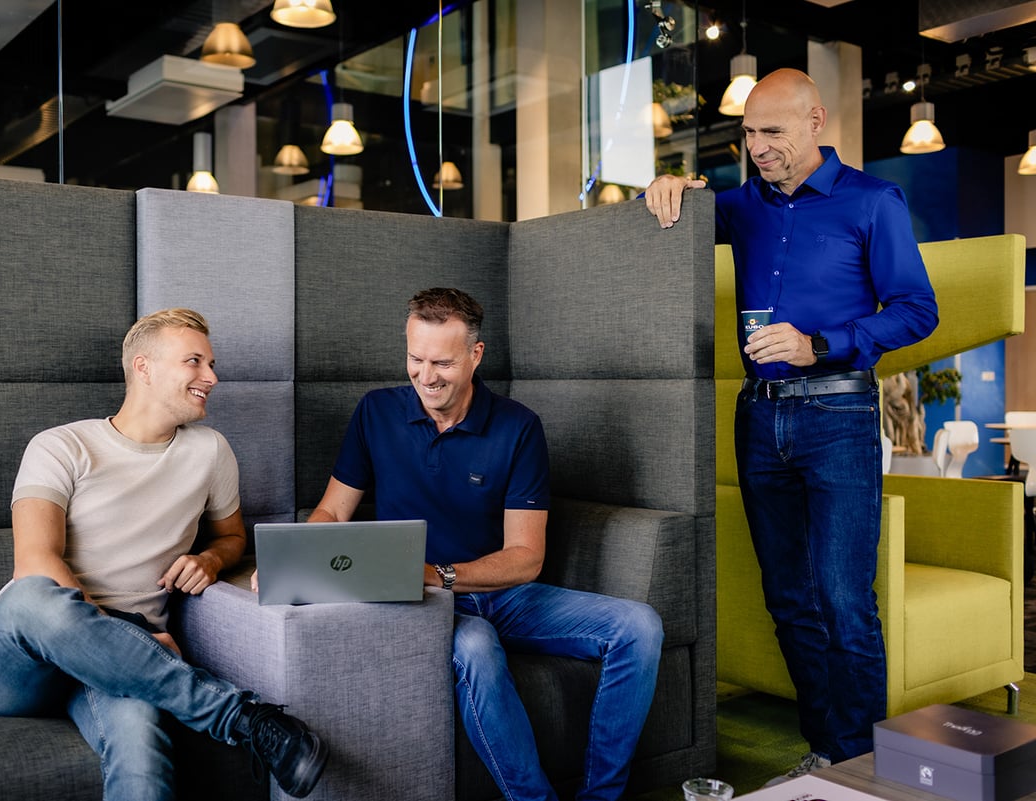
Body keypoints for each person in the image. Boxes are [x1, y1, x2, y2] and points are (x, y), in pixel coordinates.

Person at [645, 69, 938, 773]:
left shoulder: (874, 201)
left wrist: (821, 343)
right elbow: (674, 219)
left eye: (771, 132)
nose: (757, 148)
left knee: (843, 598)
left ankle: (865, 763)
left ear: (817, 122)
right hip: (759, 416)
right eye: (747, 134)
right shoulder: (740, 206)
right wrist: (667, 186)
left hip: (838, 410)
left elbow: (917, 310)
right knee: (788, 598)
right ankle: (827, 749)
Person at [303, 287, 664, 801]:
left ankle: (601, 797)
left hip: (499, 593)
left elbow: (526, 557)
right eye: (415, 359)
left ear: (476, 355)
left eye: (442, 363)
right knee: (474, 645)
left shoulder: (518, 428)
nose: (426, 377)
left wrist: (437, 572)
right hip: (421, 604)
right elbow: (333, 511)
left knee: (639, 626)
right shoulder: (375, 413)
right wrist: (299, 557)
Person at [0, 308, 329, 801]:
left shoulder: (211, 451)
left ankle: (234, 716)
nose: (212, 377)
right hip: (24, 660)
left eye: (212, 363)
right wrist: (132, 636)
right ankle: (238, 716)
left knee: (140, 742)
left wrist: (211, 561)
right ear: (144, 367)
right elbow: (35, 561)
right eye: (195, 362)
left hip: (123, 665)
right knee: (33, 597)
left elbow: (232, 538)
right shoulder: (60, 446)